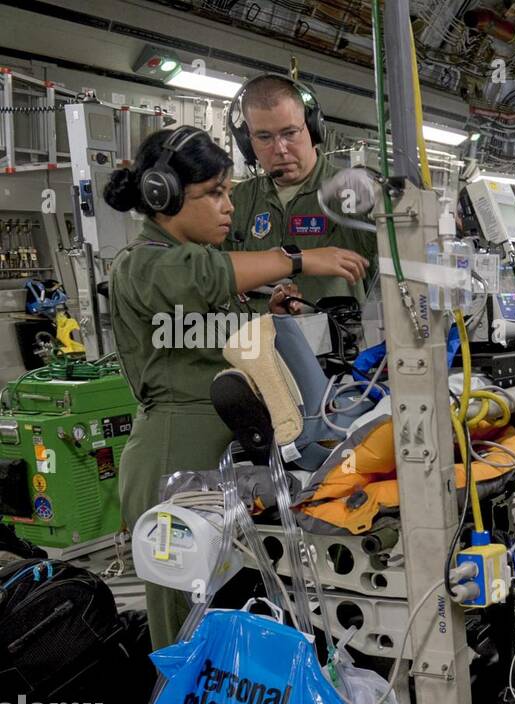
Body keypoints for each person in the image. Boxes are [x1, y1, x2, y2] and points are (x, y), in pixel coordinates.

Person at [106, 126, 368, 649]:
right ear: (165, 197)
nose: (229, 207)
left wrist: (264, 312)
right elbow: (203, 278)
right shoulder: (144, 263)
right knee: (186, 626)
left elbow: (205, 321)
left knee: (238, 606)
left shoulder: (192, 261)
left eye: (229, 191)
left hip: (227, 449)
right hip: (174, 456)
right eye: (214, 194)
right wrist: (297, 257)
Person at [223, 74, 377, 310]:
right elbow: (208, 273)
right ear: (247, 141)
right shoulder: (238, 201)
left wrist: (379, 194)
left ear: (314, 129)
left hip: (335, 342)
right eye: (264, 136)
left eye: (290, 133)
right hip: (256, 341)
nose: (280, 149)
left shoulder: (349, 193)